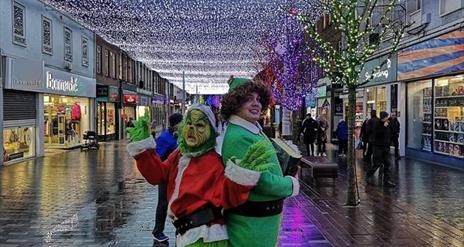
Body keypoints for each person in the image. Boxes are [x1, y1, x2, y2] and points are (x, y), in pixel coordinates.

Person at [127, 104, 269, 247]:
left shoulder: (213, 162)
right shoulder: (178, 155)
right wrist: (144, 149)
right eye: (188, 123)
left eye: (200, 125)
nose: (191, 129)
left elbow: (228, 197)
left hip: (206, 238)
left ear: (211, 132)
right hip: (185, 235)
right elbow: (157, 176)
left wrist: (241, 177)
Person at [219, 77, 300, 247]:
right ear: (235, 103)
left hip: (260, 224)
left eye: (258, 99)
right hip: (252, 227)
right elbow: (260, 181)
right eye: (248, 99)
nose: (256, 103)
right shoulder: (240, 136)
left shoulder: (249, 130)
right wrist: (291, 184)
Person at [151, 113, 183, 243]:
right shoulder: (165, 138)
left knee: (179, 203)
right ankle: (157, 232)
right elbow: (157, 157)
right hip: (166, 176)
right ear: (175, 124)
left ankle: (180, 229)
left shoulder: (178, 136)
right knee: (163, 203)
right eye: (181, 123)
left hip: (177, 176)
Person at [365, 111, 396, 188]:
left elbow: (390, 132)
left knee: (387, 163)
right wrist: (384, 127)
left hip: (385, 147)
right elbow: (376, 134)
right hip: (378, 147)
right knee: (377, 163)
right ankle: (368, 175)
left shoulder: (388, 123)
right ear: (382, 118)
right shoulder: (378, 124)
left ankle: (386, 181)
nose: (387, 119)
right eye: (386, 117)